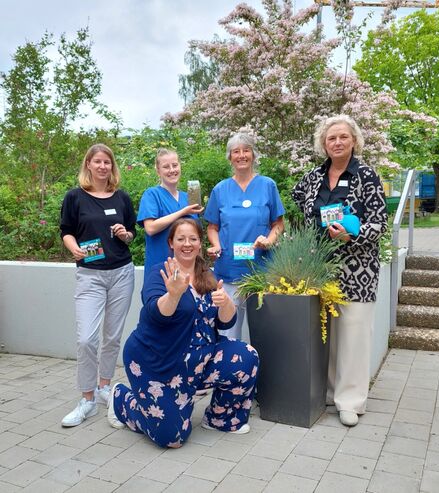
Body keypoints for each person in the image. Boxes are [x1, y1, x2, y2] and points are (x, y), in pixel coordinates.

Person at [107, 218, 259, 448]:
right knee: (173, 438)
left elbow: (225, 323)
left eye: (193, 239)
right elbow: (156, 313)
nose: (187, 244)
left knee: (246, 356)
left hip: (198, 362)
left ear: (200, 244)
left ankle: (220, 419)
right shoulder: (161, 272)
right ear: (171, 243)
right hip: (158, 363)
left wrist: (226, 304)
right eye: (181, 239)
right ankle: (122, 401)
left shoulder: (208, 274)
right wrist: (174, 295)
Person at [292, 114, 387, 427]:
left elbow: (379, 222)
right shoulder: (314, 176)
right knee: (327, 335)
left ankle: (351, 401)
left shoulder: (367, 175)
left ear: (354, 140)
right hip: (323, 266)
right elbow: (299, 199)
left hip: (357, 269)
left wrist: (352, 234)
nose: (337, 142)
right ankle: (331, 393)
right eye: (331, 138)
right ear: (323, 143)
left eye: (343, 137)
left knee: (354, 335)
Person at [60, 143, 136, 427]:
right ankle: (87, 399)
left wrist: (123, 233)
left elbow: (132, 235)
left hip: (121, 272)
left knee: (113, 336)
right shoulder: (75, 197)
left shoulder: (122, 197)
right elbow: (66, 231)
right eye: (98, 162)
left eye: (107, 162)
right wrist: (74, 248)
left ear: (111, 167)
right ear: (88, 165)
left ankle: (104, 386)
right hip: (90, 274)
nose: (103, 166)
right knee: (86, 339)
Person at [204, 132, 285, 340]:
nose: (241, 155)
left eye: (246, 150)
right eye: (236, 151)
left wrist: (269, 240)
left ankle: (265, 372)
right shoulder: (220, 189)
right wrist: (216, 245)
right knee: (228, 332)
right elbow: (212, 227)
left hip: (262, 270)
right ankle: (229, 373)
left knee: (265, 332)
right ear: (230, 157)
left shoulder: (268, 185)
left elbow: (278, 224)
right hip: (229, 270)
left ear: (253, 155)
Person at [137, 148, 203, 282]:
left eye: (175, 165)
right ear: (158, 170)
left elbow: (198, 237)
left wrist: (201, 269)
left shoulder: (188, 198)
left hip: (189, 272)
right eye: (166, 167)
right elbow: (150, 228)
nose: (172, 170)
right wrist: (183, 212)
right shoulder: (152, 195)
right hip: (161, 270)